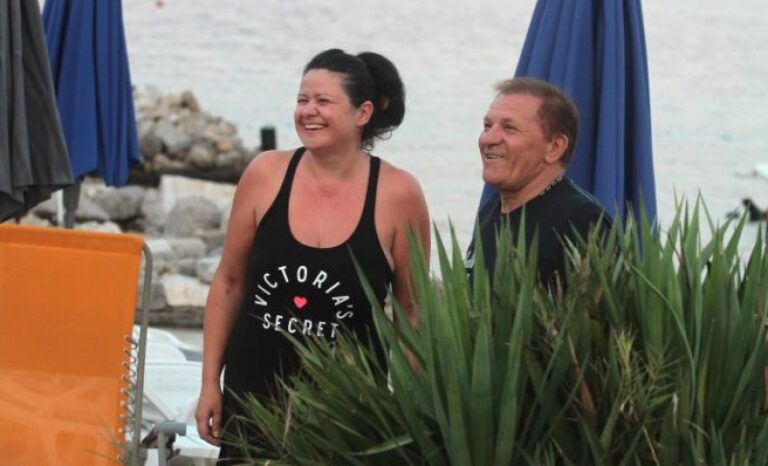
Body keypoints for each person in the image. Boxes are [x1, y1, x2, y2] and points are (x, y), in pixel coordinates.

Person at [195, 48, 430, 462]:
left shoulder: (398, 194)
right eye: (302, 99)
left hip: (347, 411)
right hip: (253, 397)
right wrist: (210, 382)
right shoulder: (265, 174)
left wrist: (407, 404)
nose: (308, 111)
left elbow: (412, 310)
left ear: (363, 113)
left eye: (323, 101)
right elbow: (229, 282)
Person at [466, 77, 609, 285]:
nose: (488, 138)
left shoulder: (581, 223)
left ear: (554, 148)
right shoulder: (492, 209)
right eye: (487, 126)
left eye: (509, 128)